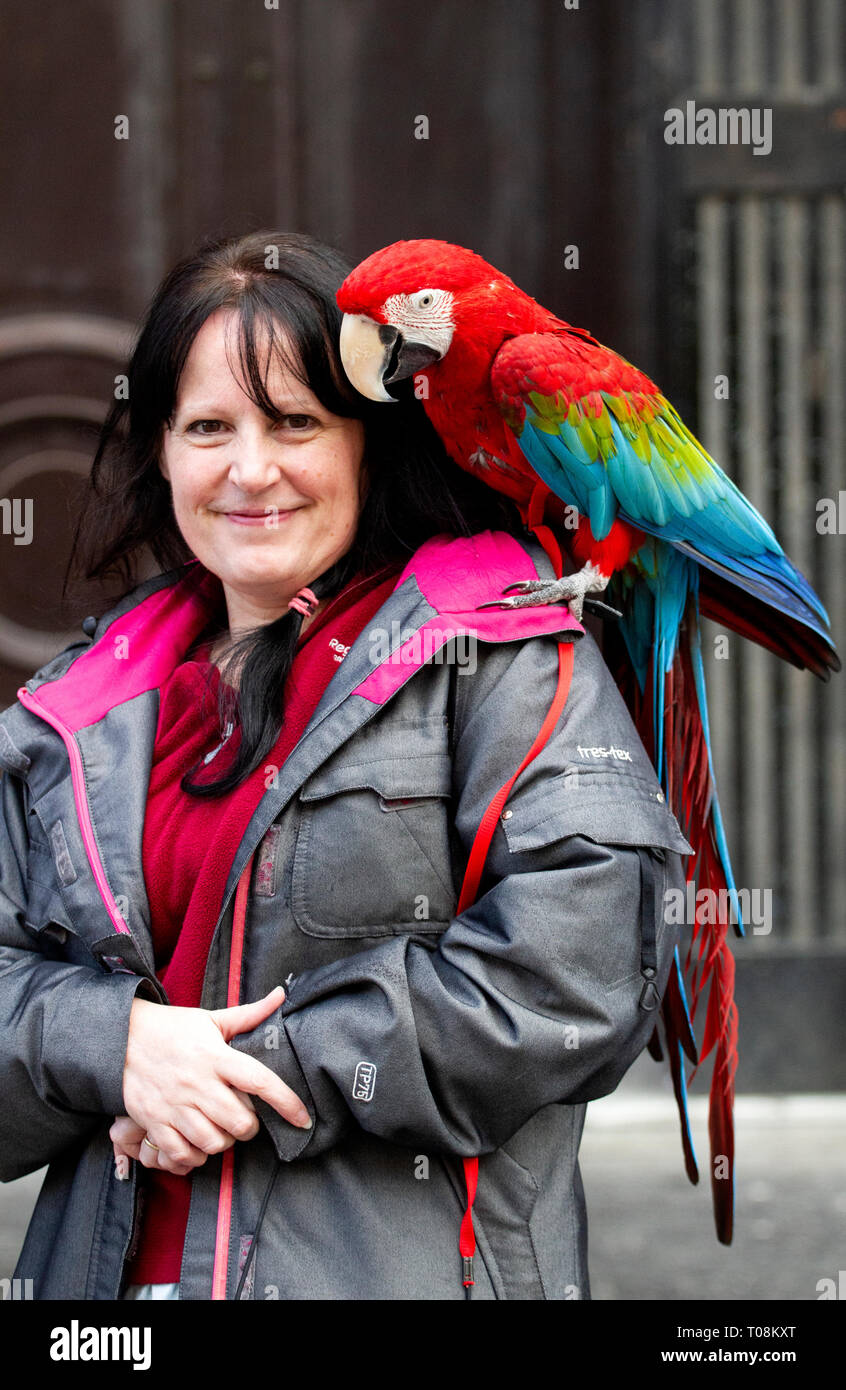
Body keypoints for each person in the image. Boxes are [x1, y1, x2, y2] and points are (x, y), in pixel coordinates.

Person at [0, 230, 692, 1301]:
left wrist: (259, 1070)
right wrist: (115, 1044)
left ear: (370, 442)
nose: (251, 469)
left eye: (296, 423)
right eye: (207, 427)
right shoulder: (75, 713)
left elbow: (578, 975)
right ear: (162, 455)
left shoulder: (502, 653)